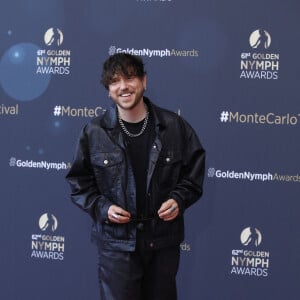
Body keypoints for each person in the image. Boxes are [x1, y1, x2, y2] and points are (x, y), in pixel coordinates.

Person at [66, 53, 205, 300]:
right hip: (117, 246)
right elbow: (79, 183)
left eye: (130, 78)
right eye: (115, 81)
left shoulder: (174, 126)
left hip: (163, 241)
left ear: (144, 81)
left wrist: (179, 199)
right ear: (108, 90)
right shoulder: (94, 132)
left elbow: (193, 174)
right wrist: (103, 207)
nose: (123, 86)